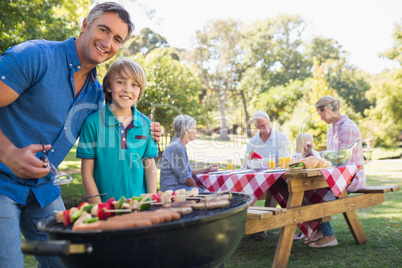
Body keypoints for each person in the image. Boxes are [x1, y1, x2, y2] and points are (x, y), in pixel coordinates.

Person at [0, 2, 161, 267]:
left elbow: (123, 108)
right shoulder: (35, 56)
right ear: (85, 25)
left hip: (43, 189)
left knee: (70, 262)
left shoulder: (96, 94)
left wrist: (148, 125)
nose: (108, 42)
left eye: (117, 38)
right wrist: (8, 153)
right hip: (2, 181)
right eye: (103, 29)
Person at [77, 59, 158, 203]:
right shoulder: (92, 123)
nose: (127, 89)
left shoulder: (147, 124)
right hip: (106, 207)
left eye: (134, 84)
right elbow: (87, 174)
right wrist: (99, 209)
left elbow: (149, 165)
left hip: (139, 207)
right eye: (120, 82)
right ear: (108, 86)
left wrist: (151, 201)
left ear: (139, 91)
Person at [309, 95, 366, 248]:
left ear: (326, 110)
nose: (320, 118)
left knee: (317, 193)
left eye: (320, 114)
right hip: (336, 175)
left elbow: (345, 160)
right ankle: (321, 230)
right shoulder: (332, 128)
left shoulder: (348, 127)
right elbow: (333, 158)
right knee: (308, 189)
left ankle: (329, 236)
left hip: (352, 176)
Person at [245, 110, 289, 240]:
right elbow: (246, 161)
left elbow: (284, 159)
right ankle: (249, 224)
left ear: (269, 122)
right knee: (244, 188)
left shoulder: (280, 137)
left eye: (266, 124)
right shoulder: (253, 141)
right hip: (257, 176)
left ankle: (262, 228)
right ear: (256, 127)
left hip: (276, 176)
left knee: (274, 186)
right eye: (261, 126)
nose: (265, 128)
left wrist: (272, 165)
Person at [160, 114, 219, 192]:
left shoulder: (178, 146)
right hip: (174, 190)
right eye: (194, 128)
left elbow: (187, 172)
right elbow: (186, 178)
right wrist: (197, 189)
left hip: (179, 188)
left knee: (211, 191)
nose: (196, 131)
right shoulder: (177, 148)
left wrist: (207, 169)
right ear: (185, 130)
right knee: (213, 193)